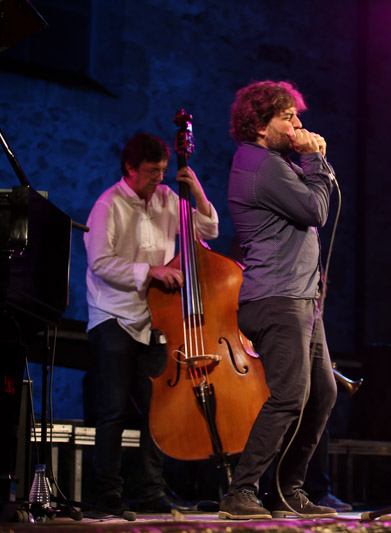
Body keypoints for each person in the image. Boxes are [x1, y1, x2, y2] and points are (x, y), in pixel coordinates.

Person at [219, 80, 338, 520]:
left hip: (300, 299)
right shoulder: (260, 163)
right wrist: (315, 159)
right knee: (289, 396)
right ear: (259, 125)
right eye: (287, 117)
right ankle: (240, 492)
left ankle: (287, 492)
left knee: (321, 394)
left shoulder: (273, 162)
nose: (297, 125)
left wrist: (311, 162)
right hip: (277, 297)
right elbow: (315, 211)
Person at [84, 132, 219, 514]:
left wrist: (197, 192)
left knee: (157, 413)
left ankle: (150, 491)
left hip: (154, 319)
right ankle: (108, 493)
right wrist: (151, 271)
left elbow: (209, 230)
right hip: (113, 315)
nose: (158, 178)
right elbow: (100, 262)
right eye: (151, 171)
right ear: (130, 168)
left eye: (162, 170)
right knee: (112, 410)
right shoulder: (108, 205)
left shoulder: (166, 199)